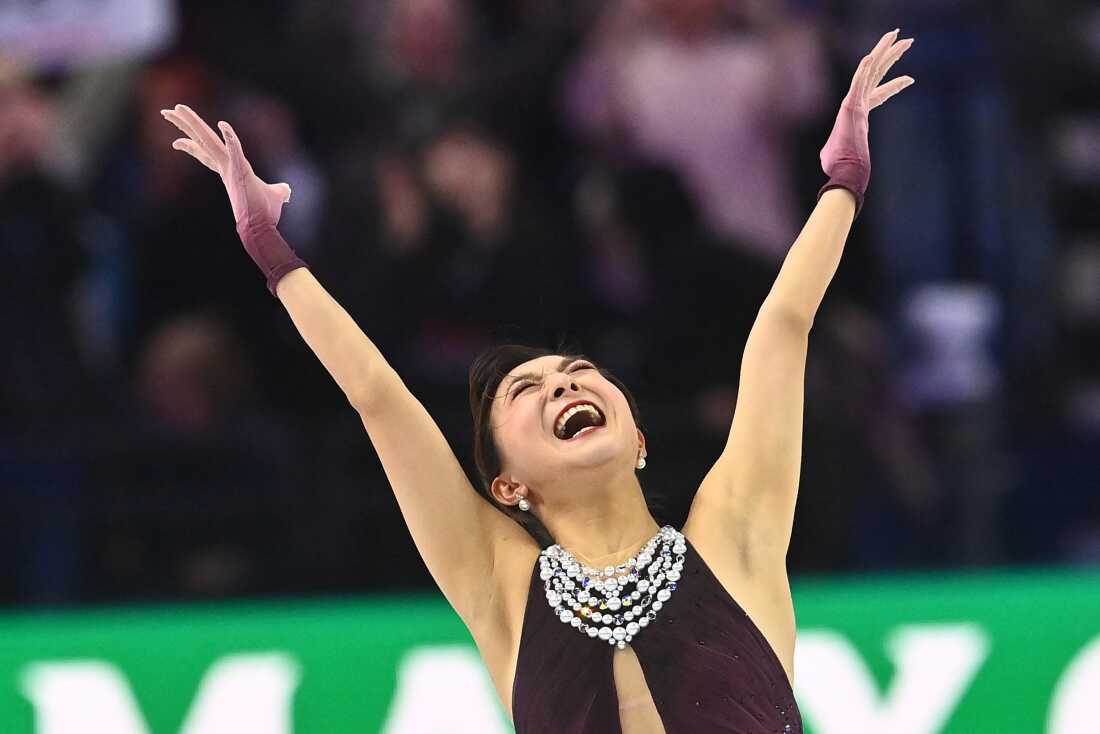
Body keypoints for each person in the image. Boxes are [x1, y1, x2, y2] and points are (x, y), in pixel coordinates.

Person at [161, 28, 913, 734]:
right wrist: (271, 250)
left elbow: (782, 329)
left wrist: (842, 181)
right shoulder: (500, 585)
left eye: (578, 373)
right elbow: (379, 399)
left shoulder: (734, 538)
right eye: (527, 392)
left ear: (639, 438)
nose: (562, 386)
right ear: (507, 484)